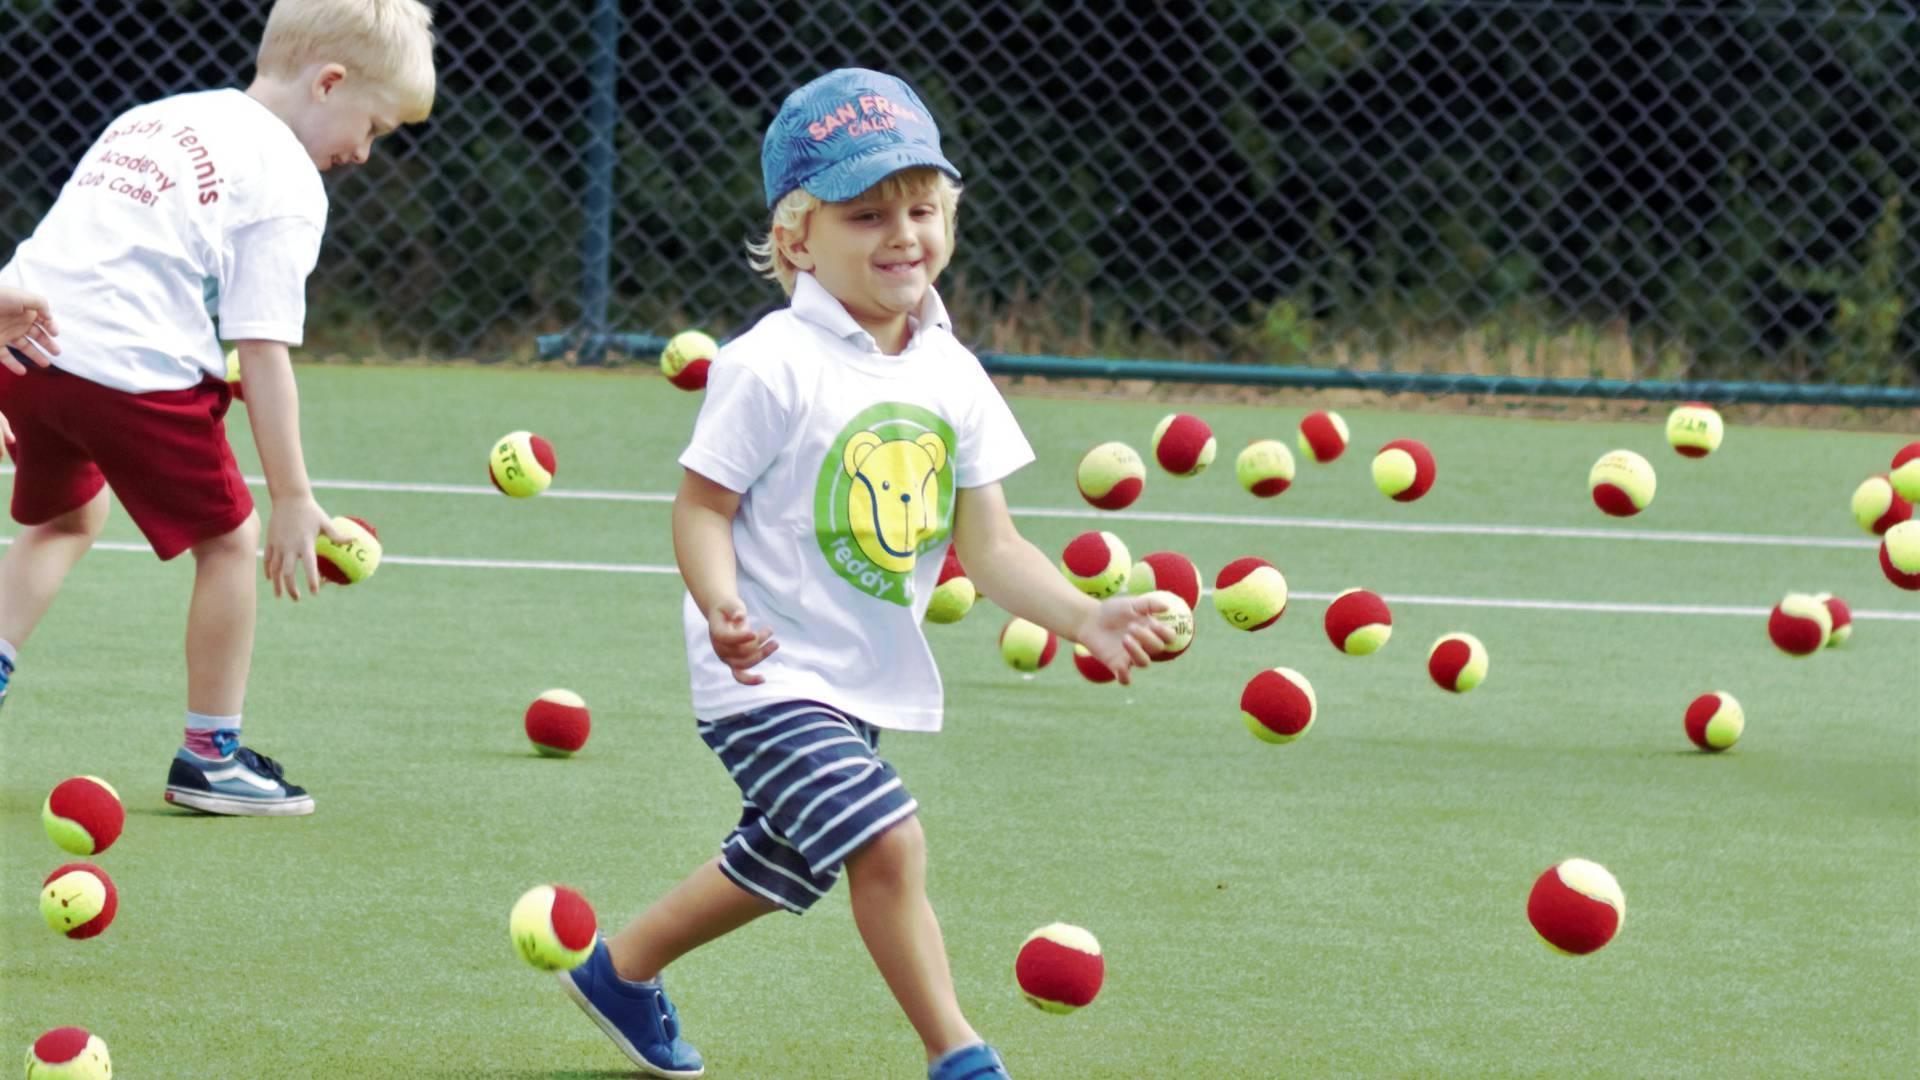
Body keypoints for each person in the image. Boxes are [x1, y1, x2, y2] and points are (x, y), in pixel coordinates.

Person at [554, 68, 1171, 1080]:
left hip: (862, 677)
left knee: (782, 857)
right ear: (798, 239)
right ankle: (958, 1055)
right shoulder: (771, 363)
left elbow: (995, 546)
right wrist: (722, 608)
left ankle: (622, 972)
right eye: (866, 213)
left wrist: (1084, 618)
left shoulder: (951, 370)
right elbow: (701, 506)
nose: (903, 234)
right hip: (765, 679)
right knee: (888, 843)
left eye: (923, 209)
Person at [0, 0, 436, 815]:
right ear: (329, 80)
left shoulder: (159, 118)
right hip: (129, 373)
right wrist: (293, 498)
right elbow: (264, 353)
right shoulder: (288, 184)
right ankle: (211, 758)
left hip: (24, 346)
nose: (365, 154)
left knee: (63, 520)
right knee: (230, 543)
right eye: (371, 126)